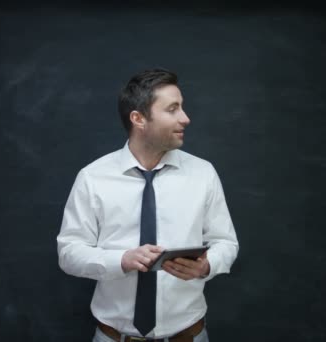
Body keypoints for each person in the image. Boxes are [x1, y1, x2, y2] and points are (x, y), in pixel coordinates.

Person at [57, 68, 239, 342]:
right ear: (138, 119)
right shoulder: (92, 177)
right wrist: (120, 260)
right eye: (173, 109)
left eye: (183, 107)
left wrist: (207, 265)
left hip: (188, 335)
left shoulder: (203, 173)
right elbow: (69, 252)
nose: (186, 118)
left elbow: (226, 242)